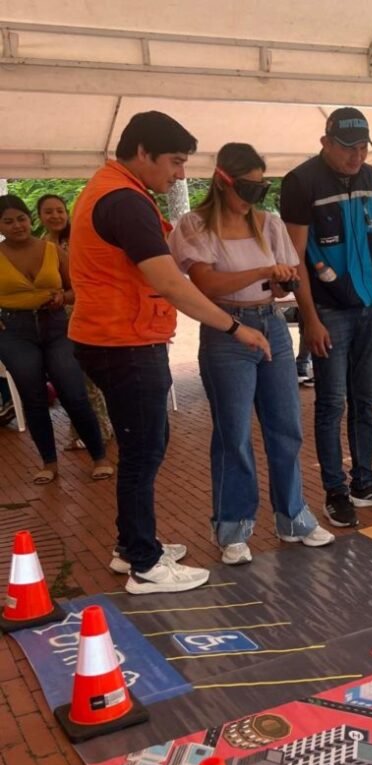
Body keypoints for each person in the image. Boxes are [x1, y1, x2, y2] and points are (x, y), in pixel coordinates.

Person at [69, 110, 270, 595]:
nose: (180, 174)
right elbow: (170, 284)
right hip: (124, 343)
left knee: (143, 447)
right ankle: (144, 565)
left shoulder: (113, 190)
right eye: (175, 161)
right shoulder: (124, 201)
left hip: (117, 337)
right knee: (143, 452)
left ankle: (130, 545)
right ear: (143, 152)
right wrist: (235, 327)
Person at [169, 143, 335, 565]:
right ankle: (233, 526)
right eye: (247, 188)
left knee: (286, 427)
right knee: (234, 433)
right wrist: (263, 270)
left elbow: (281, 288)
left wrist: (281, 281)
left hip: (271, 324)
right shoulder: (195, 226)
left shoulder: (269, 224)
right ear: (223, 181)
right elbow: (206, 285)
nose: (254, 197)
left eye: (261, 188)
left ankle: (292, 516)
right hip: (226, 329)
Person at [280, 107, 372, 529]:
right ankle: (335, 490)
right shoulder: (301, 182)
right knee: (332, 403)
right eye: (348, 148)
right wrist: (310, 320)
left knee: (366, 400)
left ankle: (364, 481)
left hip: (369, 307)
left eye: (363, 148)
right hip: (329, 312)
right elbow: (295, 258)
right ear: (325, 143)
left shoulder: (368, 177)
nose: (357, 156)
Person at [0, 195, 111, 484]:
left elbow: (79, 286)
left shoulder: (51, 250)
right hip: (15, 332)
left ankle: (99, 457)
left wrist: (64, 297)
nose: (17, 226)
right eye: (8, 222)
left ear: (30, 219)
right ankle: (49, 463)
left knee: (74, 392)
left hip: (56, 326)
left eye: (21, 219)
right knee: (33, 398)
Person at [36, 193, 114, 449]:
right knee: (71, 380)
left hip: (89, 316)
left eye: (59, 210)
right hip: (57, 322)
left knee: (90, 379)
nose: (55, 216)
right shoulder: (41, 245)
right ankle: (85, 432)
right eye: (49, 211)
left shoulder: (81, 239)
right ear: (40, 216)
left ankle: (100, 431)